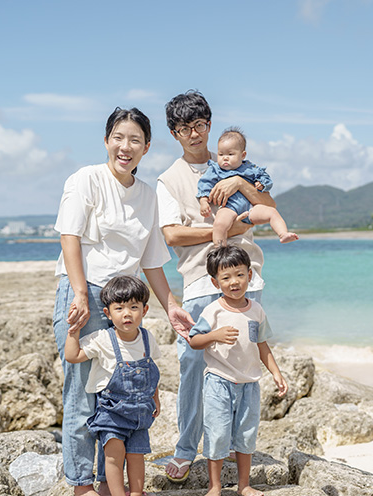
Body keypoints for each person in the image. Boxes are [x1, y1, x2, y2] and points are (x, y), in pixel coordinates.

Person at [53, 107, 193, 496]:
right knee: (84, 394)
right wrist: (81, 293)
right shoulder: (86, 179)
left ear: (146, 147)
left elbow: (151, 261)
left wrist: (172, 307)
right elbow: (70, 237)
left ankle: (105, 483)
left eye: (134, 140)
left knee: (117, 397)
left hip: (124, 302)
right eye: (118, 137)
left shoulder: (147, 196)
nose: (125, 146)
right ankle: (82, 485)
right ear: (106, 141)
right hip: (85, 293)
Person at [157, 90, 272, 482]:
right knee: (192, 364)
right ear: (174, 133)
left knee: (243, 363)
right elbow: (172, 235)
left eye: (200, 125)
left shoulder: (236, 160)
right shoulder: (169, 179)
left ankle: (237, 453)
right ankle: (187, 449)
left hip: (247, 275)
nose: (195, 134)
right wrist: (227, 228)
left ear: (209, 123)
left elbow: (269, 206)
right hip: (198, 282)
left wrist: (241, 180)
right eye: (185, 128)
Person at [189, 246, 288, 496]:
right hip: (218, 381)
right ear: (215, 282)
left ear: (250, 275)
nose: (234, 282)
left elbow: (262, 344)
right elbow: (194, 340)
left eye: (239, 275)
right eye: (226, 277)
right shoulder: (214, 310)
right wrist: (214, 335)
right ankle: (215, 486)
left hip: (249, 383)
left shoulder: (256, 310)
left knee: (246, 435)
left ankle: (244, 485)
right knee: (218, 433)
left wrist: (276, 373)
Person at [64, 275, 160, 496]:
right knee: (114, 456)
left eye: (134, 307)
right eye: (119, 308)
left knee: (137, 455)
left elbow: (153, 373)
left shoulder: (147, 338)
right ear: (107, 313)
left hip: (140, 413)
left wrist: (156, 398)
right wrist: (73, 330)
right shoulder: (103, 339)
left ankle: (136, 492)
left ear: (144, 311)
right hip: (112, 414)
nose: (127, 313)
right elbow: (73, 355)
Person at [198, 127, 298, 246]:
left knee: (272, 212)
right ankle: (220, 249)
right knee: (219, 225)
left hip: (251, 208)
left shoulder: (250, 168)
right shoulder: (215, 170)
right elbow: (205, 184)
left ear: (243, 155)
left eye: (230, 154)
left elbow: (265, 177)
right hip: (229, 207)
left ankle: (283, 234)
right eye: (221, 154)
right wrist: (204, 201)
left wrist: (262, 184)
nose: (225, 157)